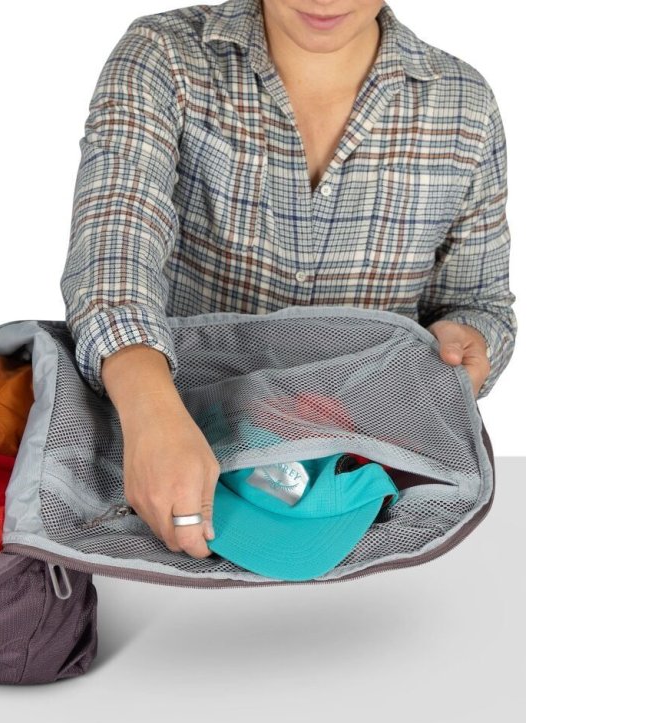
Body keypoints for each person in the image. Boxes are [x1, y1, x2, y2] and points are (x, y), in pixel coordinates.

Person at [60, 0, 515, 561]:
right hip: (172, 465)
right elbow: (111, 250)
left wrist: (468, 340)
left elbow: (481, 304)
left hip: (365, 493)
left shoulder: (465, 104)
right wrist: (152, 414)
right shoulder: (166, 56)